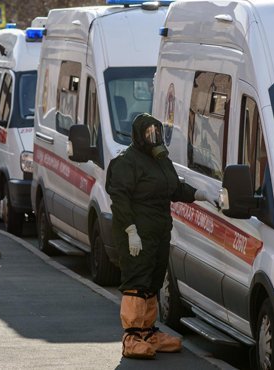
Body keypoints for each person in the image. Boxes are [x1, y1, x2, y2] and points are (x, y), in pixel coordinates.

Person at [106, 113, 215, 359]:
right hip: (137, 233)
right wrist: (130, 231)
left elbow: (173, 187)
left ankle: (148, 332)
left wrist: (200, 194)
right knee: (137, 281)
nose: (153, 137)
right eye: (148, 133)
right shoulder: (127, 162)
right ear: (138, 135)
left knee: (154, 280)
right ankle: (131, 337)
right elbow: (120, 200)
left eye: (156, 132)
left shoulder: (160, 161)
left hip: (158, 231)